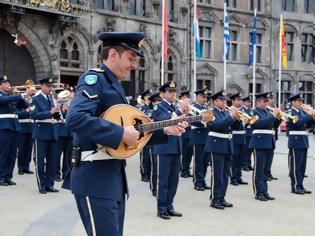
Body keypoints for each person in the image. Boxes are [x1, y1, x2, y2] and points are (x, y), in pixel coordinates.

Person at [63, 32, 187, 236]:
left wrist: (164, 130)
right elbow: (75, 119)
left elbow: (132, 132)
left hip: (112, 179)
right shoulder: (94, 80)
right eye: (131, 58)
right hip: (94, 178)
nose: (134, 65)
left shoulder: (115, 85)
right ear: (113, 54)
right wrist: (119, 133)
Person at [152, 81, 184, 220]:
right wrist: (180, 112)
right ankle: (161, 208)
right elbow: (164, 121)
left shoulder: (174, 108)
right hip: (163, 147)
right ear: (163, 94)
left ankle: (169, 205)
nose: (173, 94)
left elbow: (181, 123)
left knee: (173, 180)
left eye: (174, 92)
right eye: (170, 92)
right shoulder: (158, 107)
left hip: (176, 147)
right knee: (163, 180)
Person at [205, 90, 238, 210]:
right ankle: (215, 199)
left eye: (225, 100)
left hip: (227, 145)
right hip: (216, 145)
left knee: (225, 175)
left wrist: (238, 118)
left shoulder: (225, 113)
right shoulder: (210, 112)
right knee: (217, 174)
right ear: (215, 101)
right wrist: (231, 116)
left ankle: (222, 197)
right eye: (222, 100)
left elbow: (234, 127)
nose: (225, 102)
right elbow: (217, 125)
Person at [0, 75, 34, 186]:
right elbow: (5, 100)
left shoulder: (11, 96)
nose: (8, 85)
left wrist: (23, 96)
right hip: (4, 127)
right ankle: (1, 177)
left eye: (8, 83)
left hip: (14, 127)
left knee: (12, 154)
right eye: (5, 83)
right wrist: (22, 94)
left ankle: (8, 176)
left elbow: (24, 106)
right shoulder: (2, 96)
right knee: (3, 154)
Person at [249, 92, 281, 201]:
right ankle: (258, 192)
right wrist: (273, 115)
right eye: (264, 101)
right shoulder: (253, 112)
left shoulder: (268, 112)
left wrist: (278, 117)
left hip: (269, 142)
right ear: (258, 101)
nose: (266, 103)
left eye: (267, 101)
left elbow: (274, 126)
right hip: (259, 142)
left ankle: (264, 191)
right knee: (259, 168)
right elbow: (259, 123)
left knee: (266, 169)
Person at [31, 77, 61, 194]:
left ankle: (50, 184)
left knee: (52, 162)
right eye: (48, 86)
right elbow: (34, 115)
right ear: (42, 86)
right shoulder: (35, 99)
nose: (50, 88)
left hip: (53, 133)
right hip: (41, 134)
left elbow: (55, 116)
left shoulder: (52, 99)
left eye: (51, 86)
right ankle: (42, 185)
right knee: (40, 162)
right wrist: (50, 112)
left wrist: (59, 112)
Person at [286, 93, 313, 194]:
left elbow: (308, 125)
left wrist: (312, 118)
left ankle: (300, 185)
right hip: (295, 140)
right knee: (296, 166)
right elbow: (298, 123)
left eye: (301, 101)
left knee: (302, 166)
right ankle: (295, 186)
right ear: (293, 102)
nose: (301, 102)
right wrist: (309, 115)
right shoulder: (290, 112)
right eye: (299, 101)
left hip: (303, 140)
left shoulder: (302, 112)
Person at [190, 88, 211, 191]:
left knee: (205, 161)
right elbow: (191, 121)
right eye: (203, 97)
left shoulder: (207, 107)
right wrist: (204, 122)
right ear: (198, 97)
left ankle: (202, 180)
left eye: (206, 97)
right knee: (198, 161)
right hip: (197, 135)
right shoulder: (193, 107)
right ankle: (197, 182)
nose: (205, 99)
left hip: (206, 136)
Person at [229, 93, 248, 186]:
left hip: (242, 136)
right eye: (237, 100)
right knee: (234, 158)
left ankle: (239, 176)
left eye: (241, 100)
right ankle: (233, 177)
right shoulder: (230, 110)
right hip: (234, 136)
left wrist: (246, 122)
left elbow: (245, 125)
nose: (240, 102)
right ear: (232, 101)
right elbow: (231, 125)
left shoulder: (243, 110)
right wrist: (240, 120)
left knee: (241, 158)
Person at [178, 90, 193, 178]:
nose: (187, 99)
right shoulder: (178, 108)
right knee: (184, 154)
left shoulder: (190, 108)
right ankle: (183, 170)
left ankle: (187, 169)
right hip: (183, 133)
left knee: (189, 154)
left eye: (188, 97)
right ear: (182, 98)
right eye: (185, 97)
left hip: (190, 134)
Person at [138, 89, 152, 182]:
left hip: (152, 134)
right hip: (144, 135)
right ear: (144, 98)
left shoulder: (153, 107)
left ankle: (150, 173)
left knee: (151, 155)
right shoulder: (142, 108)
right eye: (148, 96)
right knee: (145, 155)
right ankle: (144, 174)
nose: (149, 97)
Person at [240, 95, 253, 171]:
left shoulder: (251, 110)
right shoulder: (242, 110)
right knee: (245, 150)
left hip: (251, 132)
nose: (249, 103)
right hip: (246, 132)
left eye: (250, 101)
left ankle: (248, 163)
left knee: (250, 150)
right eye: (247, 102)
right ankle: (244, 164)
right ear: (243, 102)